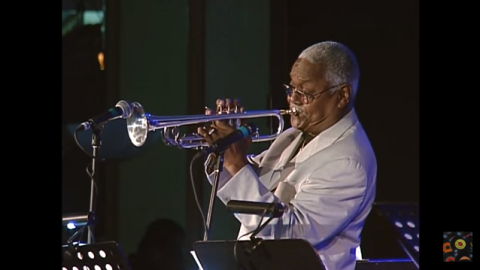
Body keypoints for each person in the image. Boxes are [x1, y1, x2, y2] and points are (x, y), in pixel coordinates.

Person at [197, 41, 377, 270]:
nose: (293, 100)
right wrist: (225, 150)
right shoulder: (292, 136)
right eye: (291, 90)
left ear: (342, 95)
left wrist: (237, 163)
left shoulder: (350, 163)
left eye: (306, 93)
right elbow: (249, 189)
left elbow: (288, 236)